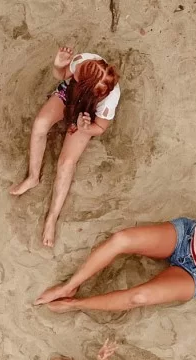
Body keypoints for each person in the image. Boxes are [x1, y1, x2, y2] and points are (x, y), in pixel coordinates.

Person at [35, 194, 196, 313]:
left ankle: (75, 304)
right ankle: (69, 286)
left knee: (140, 297)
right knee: (121, 239)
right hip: (186, 237)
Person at [9, 47, 121, 247]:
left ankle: (52, 218)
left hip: (87, 115)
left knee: (67, 162)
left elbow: (100, 127)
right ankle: (33, 177)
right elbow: (61, 76)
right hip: (69, 95)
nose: (73, 73)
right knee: (40, 124)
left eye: (76, 77)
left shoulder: (107, 101)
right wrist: (58, 65)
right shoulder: (83, 62)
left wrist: (85, 128)